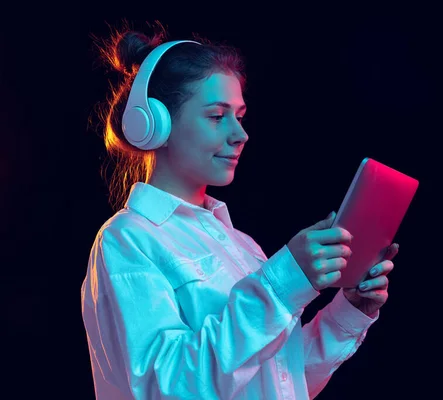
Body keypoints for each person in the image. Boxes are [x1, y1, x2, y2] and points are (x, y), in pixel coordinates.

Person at [80, 22, 399, 400]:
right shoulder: (127, 240)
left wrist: (349, 311)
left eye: (240, 116)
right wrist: (281, 284)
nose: (240, 134)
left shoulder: (242, 246)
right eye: (217, 116)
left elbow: (282, 382)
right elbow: (167, 389)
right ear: (153, 123)